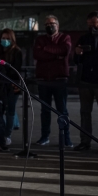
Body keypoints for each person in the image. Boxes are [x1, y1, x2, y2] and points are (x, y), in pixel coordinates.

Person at [34, 15, 72, 147]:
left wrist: (46, 49)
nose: (49, 26)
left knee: (62, 111)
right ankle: (45, 137)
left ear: (58, 25)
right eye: (46, 24)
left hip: (60, 80)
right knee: (45, 111)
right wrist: (56, 55)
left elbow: (65, 50)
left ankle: (66, 139)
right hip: (43, 80)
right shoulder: (40, 39)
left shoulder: (65, 38)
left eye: (52, 23)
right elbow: (37, 54)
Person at [74, 11, 98, 151]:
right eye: (90, 24)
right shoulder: (83, 38)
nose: (92, 27)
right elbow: (76, 60)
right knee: (85, 113)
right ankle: (85, 141)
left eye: (95, 24)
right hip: (85, 81)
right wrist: (77, 53)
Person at [0, 28, 23, 150]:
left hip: (13, 85)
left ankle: (7, 135)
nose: (5, 41)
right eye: (3, 38)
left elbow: (16, 70)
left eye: (7, 38)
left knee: (10, 110)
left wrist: (4, 72)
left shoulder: (17, 52)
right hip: (0, 85)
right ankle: (1, 136)